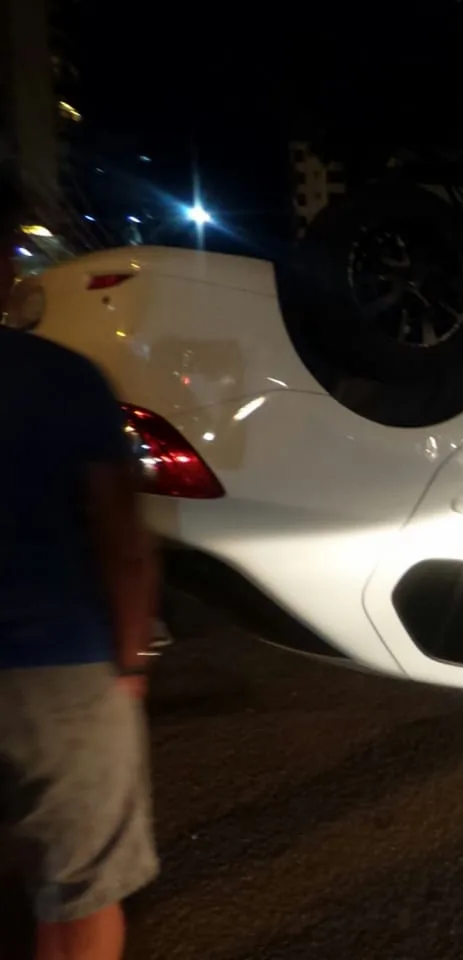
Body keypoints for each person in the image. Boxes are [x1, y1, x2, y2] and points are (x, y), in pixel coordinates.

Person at [0, 325, 159, 960]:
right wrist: (132, 659)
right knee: (79, 891)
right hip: (57, 664)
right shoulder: (59, 375)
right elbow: (122, 537)